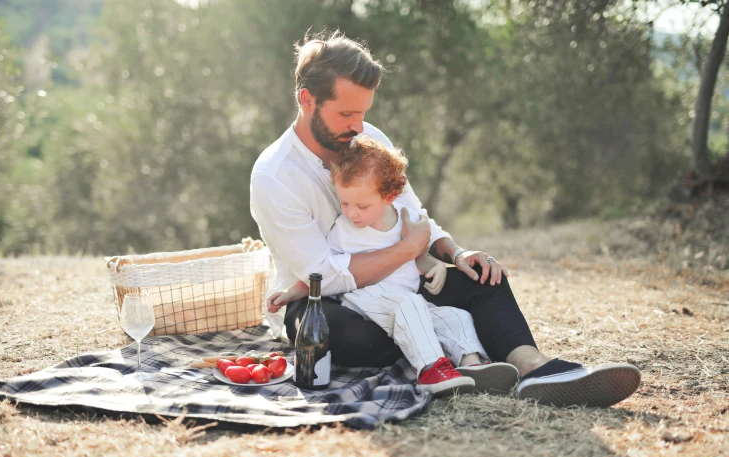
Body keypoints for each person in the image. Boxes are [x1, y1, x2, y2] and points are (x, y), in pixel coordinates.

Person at [249, 30, 641, 407]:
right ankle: (453, 353)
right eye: (347, 113)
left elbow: (412, 214)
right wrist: (408, 249)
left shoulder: (369, 139)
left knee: (483, 277)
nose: (358, 127)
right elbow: (323, 274)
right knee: (354, 337)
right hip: (322, 303)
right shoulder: (274, 177)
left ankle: (536, 370)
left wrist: (454, 253)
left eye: (364, 113)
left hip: (400, 281)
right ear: (307, 100)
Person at [266, 136, 520, 396]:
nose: (351, 213)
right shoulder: (343, 230)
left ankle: (473, 365)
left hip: (405, 302)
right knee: (409, 305)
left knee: (456, 317)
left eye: (361, 205)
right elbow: (321, 272)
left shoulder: (404, 220)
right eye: (344, 203)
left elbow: (415, 254)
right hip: (363, 298)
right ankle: (430, 370)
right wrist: (290, 293)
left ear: (389, 196)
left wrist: (437, 265)